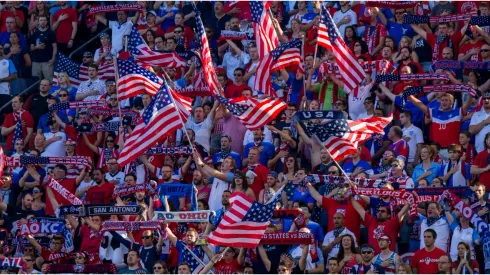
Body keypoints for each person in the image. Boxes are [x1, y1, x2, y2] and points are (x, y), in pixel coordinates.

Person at [30, 15, 56, 81]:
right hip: (36, 61)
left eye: (44, 20)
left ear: (47, 21)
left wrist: (53, 59)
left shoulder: (51, 33)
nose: (43, 22)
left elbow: (55, 47)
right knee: (35, 81)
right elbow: (31, 48)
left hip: (47, 61)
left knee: (49, 81)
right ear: (38, 22)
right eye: (41, 20)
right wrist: (37, 47)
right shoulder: (35, 34)